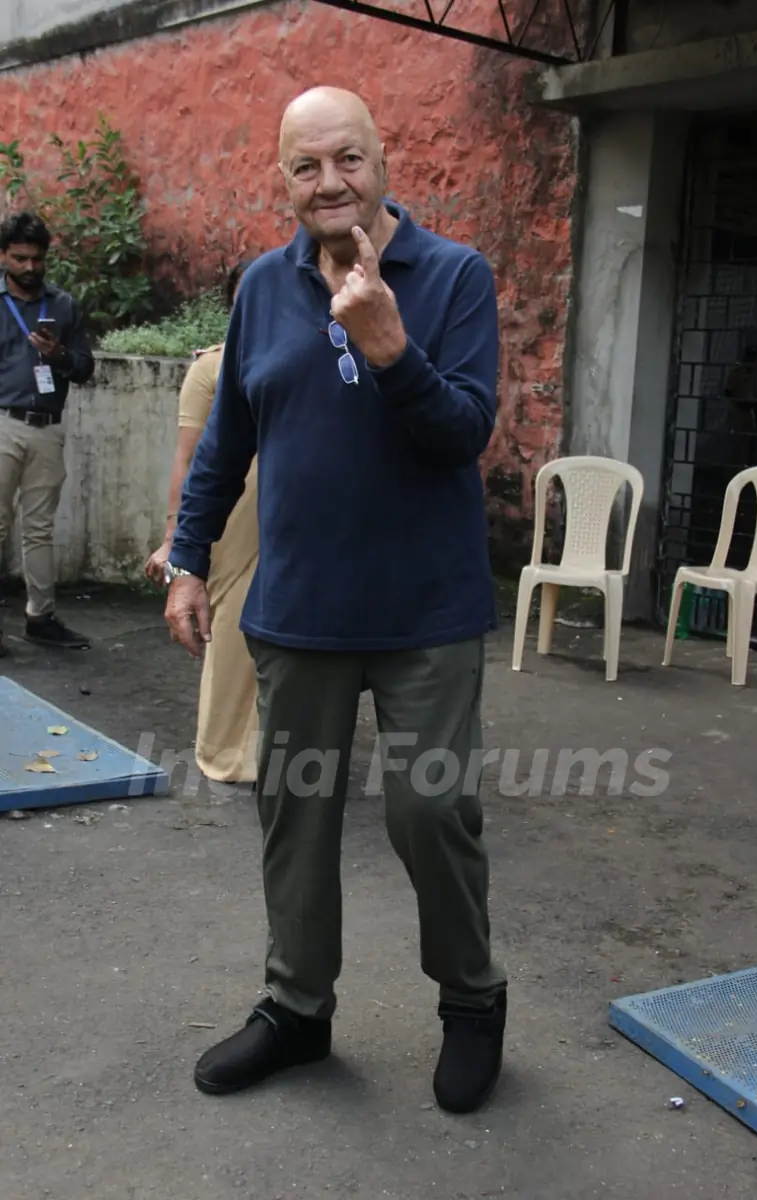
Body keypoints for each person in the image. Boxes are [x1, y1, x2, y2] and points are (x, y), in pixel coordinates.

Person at [164, 86, 508, 1115]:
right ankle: (295, 1010)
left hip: (425, 615)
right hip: (298, 612)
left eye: (346, 160)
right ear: (284, 178)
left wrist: (390, 347)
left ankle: (471, 1000)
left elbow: (463, 436)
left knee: (431, 809)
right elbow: (228, 437)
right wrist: (187, 556)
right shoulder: (263, 289)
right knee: (293, 820)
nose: (329, 183)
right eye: (305, 167)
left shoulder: (451, 277)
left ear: (381, 158)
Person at [145, 260, 258, 784]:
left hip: (294, 511)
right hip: (231, 517)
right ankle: (227, 753)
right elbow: (187, 460)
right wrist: (175, 539)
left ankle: (282, 745)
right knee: (232, 630)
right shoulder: (211, 369)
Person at [0, 211, 94, 655]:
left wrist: (58, 355)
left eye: (38, 259)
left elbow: (85, 368)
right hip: (2, 423)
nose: (31, 268)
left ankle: (41, 616)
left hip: (47, 428)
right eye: (20, 259)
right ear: (4, 257)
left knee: (39, 530)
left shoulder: (62, 305)